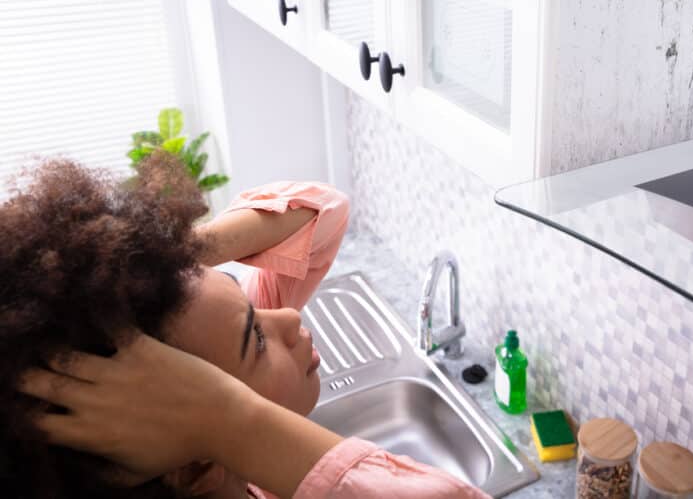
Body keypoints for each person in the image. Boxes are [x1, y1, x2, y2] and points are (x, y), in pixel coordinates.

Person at [1, 154, 488, 498]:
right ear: (194, 468)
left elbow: (324, 210)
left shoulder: (235, 449)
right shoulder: (236, 433)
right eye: (254, 337)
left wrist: (174, 256)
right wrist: (231, 422)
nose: (290, 317)